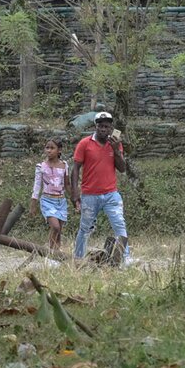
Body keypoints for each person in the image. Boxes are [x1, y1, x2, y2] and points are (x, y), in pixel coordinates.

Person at [68, 111, 130, 263]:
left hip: (111, 194)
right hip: (90, 194)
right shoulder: (85, 143)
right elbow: (75, 168)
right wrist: (75, 193)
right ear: (95, 126)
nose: (103, 129)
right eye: (100, 126)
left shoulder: (115, 143)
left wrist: (116, 150)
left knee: (119, 225)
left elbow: (122, 168)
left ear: (111, 128)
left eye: (107, 127)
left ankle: (126, 258)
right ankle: (78, 258)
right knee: (85, 228)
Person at [30, 139, 69, 251]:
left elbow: (67, 185)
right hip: (47, 200)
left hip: (61, 201)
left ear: (59, 150)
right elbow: (37, 186)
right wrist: (33, 204)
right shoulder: (41, 166)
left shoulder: (64, 165)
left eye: (52, 148)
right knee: (55, 227)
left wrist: (76, 200)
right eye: (47, 148)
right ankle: (50, 252)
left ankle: (56, 254)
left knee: (59, 230)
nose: (49, 151)